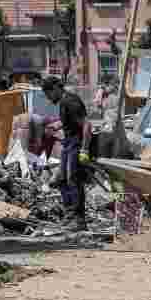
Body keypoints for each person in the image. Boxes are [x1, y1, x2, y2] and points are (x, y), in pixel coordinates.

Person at [41, 76, 91, 232]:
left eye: (48, 94)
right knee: (62, 180)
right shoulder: (63, 103)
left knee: (73, 180)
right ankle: (70, 215)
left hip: (76, 145)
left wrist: (84, 149)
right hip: (68, 144)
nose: (48, 98)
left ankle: (79, 219)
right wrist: (56, 126)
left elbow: (87, 125)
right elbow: (68, 122)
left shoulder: (71, 101)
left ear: (56, 89)